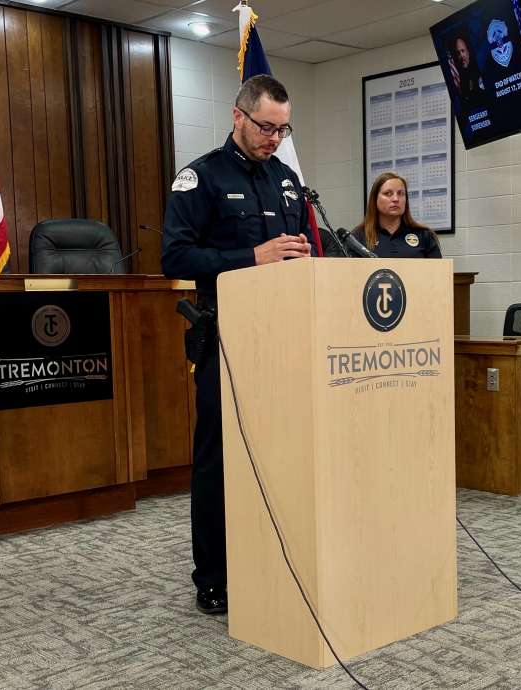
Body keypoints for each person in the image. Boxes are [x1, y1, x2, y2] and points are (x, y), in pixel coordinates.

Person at [161, 75, 313, 615]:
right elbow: (174, 259)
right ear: (238, 117)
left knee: (280, 454)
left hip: (287, 339)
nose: (274, 138)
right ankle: (214, 576)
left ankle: (271, 559)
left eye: (282, 128)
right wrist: (253, 257)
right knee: (218, 461)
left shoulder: (289, 180)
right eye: (266, 127)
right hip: (225, 338)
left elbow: (299, 253)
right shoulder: (199, 177)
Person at [355, 172, 442, 259]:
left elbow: (438, 271)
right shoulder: (358, 237)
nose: (396, 199)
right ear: (375, 199)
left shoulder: (424, 235)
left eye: (401, 193)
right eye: (388, 193)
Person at [448, 33, 485, 105]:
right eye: (458, 53)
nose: (461, 55)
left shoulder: (479, 68)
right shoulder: (460, 77)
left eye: (463, 51)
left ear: (468, 51)